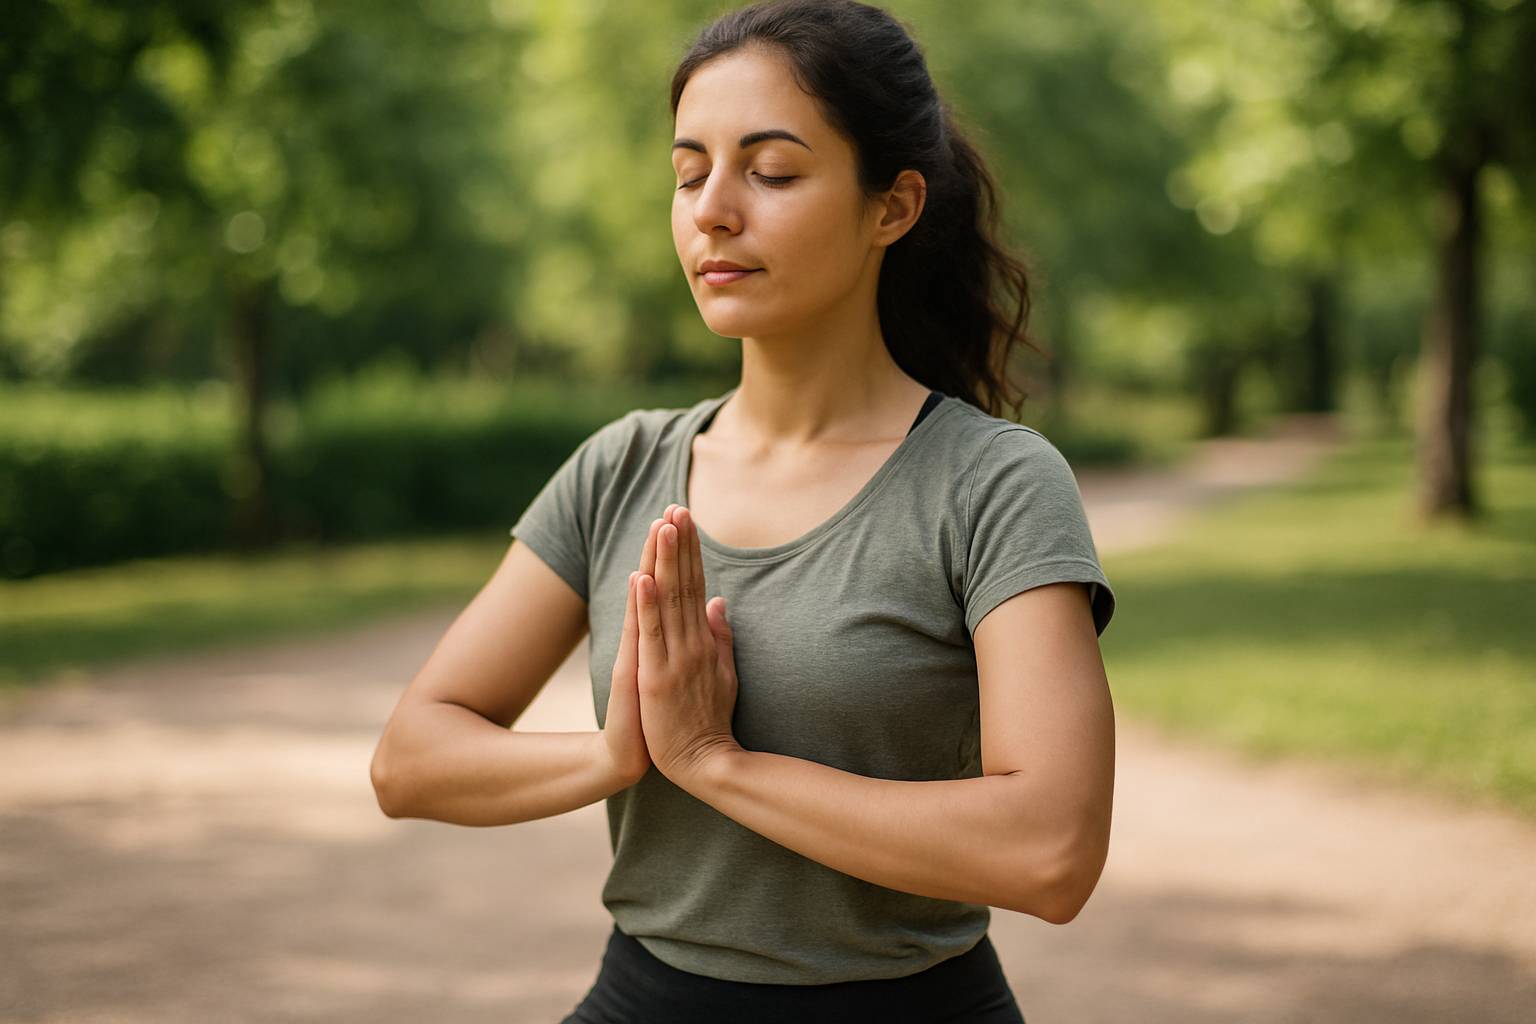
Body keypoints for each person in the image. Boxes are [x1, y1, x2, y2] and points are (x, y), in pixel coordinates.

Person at [370, 1, 1117, 1020]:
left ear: (891, 207)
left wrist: (716, 766)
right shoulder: (619, 467)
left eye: (770, 172)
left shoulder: (992, 483)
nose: (714, 210)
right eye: (688, 174)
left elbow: (1052, 848)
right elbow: (411, 758)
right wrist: (613, 756)